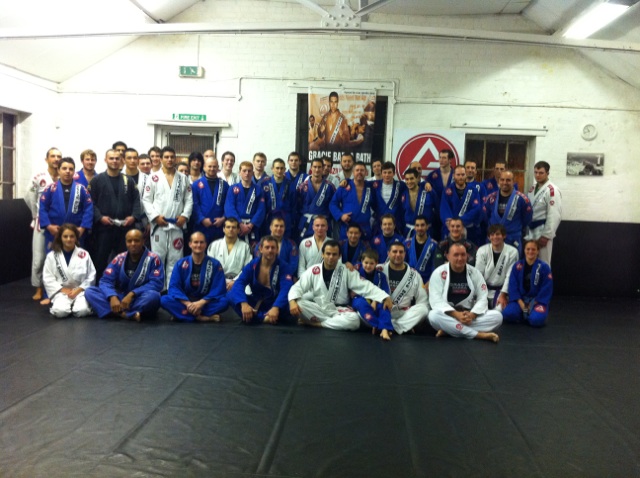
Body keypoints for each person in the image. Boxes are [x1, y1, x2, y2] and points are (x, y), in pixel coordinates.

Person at [288, 240, 392, 330]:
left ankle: (318, 324)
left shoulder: (346, 270)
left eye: (334, 254)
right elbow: (298, 287)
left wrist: (384, 297)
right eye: (328, 254)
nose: (331, 257)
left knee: (354, 320)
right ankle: (333, 323)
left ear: (339, 256)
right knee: (299, 303)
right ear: (322, 254)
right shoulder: (314, 270)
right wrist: (292, 301)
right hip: (320, 308)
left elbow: (365, 286)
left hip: (339, 310)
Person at [428, 243, 502, 343]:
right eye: (456, 255)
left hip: (468, 316)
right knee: (433, 315)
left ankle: (450, 330)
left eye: (463, 255)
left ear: (467, 256)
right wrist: (456, 315)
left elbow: (482, 297)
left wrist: (472, 315)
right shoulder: (438, 273)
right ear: (448, 256)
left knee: (497, 317)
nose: (460, 258)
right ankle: (478, 335)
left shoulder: (475, 273)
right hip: (449, 315)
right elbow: (436, 300)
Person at [141, 146, 193, 288]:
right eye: (166, 157)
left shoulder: (183, 178)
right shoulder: (153, 177)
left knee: (176, 258)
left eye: (172, 157)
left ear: (175, 158)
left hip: (177, 224)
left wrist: (184, 216)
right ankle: (158, 288)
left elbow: (189, 199)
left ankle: (173, 288)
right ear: (161, 159)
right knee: (158, 257)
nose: (169, 159)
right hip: (159, 225)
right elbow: (146, 200)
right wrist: (155, 217)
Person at [84, 229, 164, 321]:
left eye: (136, 241)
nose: (133, 244)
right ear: (126, 243)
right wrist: (112, 296)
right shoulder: (120, 258)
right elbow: (105, 280)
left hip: (140, 297)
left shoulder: (153, 259)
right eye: (129, 241)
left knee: (154, 297)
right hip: (121, 297)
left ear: (143, 241)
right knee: (90, 291)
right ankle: (129, 314)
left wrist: (133, 293)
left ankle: (116, 312)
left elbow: (156, 283)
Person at [88, 149, 142, 279]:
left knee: (124, 259)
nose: (114, 161)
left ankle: (121, 284)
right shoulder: (96, 180)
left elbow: (136, 201)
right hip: (103, 228)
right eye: (111, 158)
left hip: (124, 228)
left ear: (121, 160)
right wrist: (100, 217)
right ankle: (100, 285)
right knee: (100, 260)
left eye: (117, 158)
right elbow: (90, 203)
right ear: (105, 160)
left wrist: (133, 217)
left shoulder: (128, 180)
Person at [160, 232, 229, 322]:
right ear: (190, 244)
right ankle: (202, 317)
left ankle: (182, 315)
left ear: (205, 244)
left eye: (201, 242)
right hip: (186, 300)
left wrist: (201, 303)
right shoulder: (180, 264)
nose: (198, 245)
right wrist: (188, 304)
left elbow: (218, 288)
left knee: (224, 302)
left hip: (205, 302)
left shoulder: (215, 264)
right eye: (196, 242)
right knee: (164, 300)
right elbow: (174, 287)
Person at [229, 235, 295, 325]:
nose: (270, 250)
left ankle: (255, 317)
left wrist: (276, 307)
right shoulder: (253, 265)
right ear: (260, 249)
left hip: (275, 301)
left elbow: (286, 288)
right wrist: (243, 303)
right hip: (256, 302)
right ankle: (265, 318)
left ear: (277, 250)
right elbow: (239, 283)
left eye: (273, 248)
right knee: (230, 295)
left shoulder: (284, 266)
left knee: (293, 303)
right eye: (267, 247)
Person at [26, 147, 60, 301]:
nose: (56, 159)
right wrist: (36, 215)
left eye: (58, 156)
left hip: (59, 222)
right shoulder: (39, 177)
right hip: (42, 222)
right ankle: (38, 287)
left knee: (57, 256)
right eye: (53, 156)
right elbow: (29, 197)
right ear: (47, 159)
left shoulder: (66, 176)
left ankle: (55, 288)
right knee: (39, 258)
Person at [39, 157, 93, 253]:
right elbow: (43, 208)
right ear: (58, 170)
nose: (68, 171)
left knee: (76, 260)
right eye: (64, 168)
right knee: (54, 259)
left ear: (74, 172)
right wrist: (49, 226)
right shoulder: (50, 189)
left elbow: (88, 209)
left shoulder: (81, 189)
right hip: (54, 233)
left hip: (75, 234)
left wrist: (82, 228)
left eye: (71, 169)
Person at [42, 224, 96, 318]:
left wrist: (79, 289)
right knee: (60, 312)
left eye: (72, 236)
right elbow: (48, 277)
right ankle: (65, 305)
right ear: (60, 238)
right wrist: (62, 289)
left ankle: (78, 305)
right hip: (61, 291)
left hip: (80, 291)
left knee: (82, 311)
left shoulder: (84, 254)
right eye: (65, 236)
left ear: (76, 238)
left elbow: (91, 275)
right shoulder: (52, 256)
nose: (68, 239)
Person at [381, 242, 429, 334]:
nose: (398, 254)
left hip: (403, 314)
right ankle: (400, 326)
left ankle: (389, 326)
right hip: (383, 311)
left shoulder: (414, 275)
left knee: (423, 309)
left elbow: (422, 300)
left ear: (404, 254)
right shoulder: (379, 269)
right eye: (395, 251)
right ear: (388, 253)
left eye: (401, 252)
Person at [502, 239, 553, 327]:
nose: (530, 251)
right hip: (520, 299)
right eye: (528, 249)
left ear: (538, 251)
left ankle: (531, 314)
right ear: (524, 250)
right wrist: (521, 304)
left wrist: (533, 304)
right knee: (507, 314)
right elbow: (513, 286)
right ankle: (524, 314)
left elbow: (546, 288)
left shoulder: (544, 267)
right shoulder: (517, 266)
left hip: (537, 300)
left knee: (536, 320)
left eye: (533, 249)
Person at [351, 249, 394, 340]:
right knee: (361, 304)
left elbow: (384, 292)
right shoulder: (356, 274)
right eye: (366, 263)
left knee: (384, 307)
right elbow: (354, 290)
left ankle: (384, 330)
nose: (368, 266)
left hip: (377, 300)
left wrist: (375, 301)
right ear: (362, 261)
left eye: (371, 263)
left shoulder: (381, 276)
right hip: (360, 298)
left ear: (376, 263)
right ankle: (378, 325)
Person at [485, 170, 533, 253]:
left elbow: (527, 219)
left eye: (508, 180)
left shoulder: (522, 199)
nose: (505, 182)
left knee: (513, 260)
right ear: (499, 181)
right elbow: (486, 216)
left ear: (513, 181)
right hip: (494, 239)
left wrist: (514, 227)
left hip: (512, 238)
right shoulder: (490, 198)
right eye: (502, 180)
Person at [525, 161, 562, 264]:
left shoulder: (552, 190)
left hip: (542, 230)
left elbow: (554, 215)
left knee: (543, 261)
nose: (537, 175)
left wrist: (546, 235)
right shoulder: (532, 188)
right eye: (536, 172)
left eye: (541, 173)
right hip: (530, 229)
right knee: (530, 261)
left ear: (547, 173)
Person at [474, 224, 519, 309]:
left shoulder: (512, 252)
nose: (495, 237)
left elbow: (509, 276)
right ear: (488, 237)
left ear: (504, 236)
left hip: (501, 291)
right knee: (476, 310)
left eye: (498, 234)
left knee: (499, 311)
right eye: (492, 234)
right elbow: (478, 274)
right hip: (484, 290)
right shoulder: (482, 250)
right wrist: (478, 293)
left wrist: (503, 294)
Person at [330, 161, 376, 240]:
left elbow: (376, 205)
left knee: (365, 248)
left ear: (366, 172)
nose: (359, 172)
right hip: (347, 227)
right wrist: (341, 215)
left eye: (362, 170)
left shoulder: (371, 187)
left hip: (364, 228)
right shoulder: (344, 186)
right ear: (353, 172)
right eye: (357, 170)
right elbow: (332, 204)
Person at [224, 161, 266, 245]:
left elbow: (261, 210)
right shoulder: (233, 188)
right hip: (236, 226)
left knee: (252, 249)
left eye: (249, 171)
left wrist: (250, 225)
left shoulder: (258, 190)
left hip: (252, 227)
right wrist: (239, 223)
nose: (247, 173)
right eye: (244, 171)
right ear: (239, 173)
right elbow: (229, 207)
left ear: (253, 173)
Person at [440, 165, 483, 245]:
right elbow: (444, 209)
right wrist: (453, 224)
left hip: (469, 229)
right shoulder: (447, 191)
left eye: (463, 175)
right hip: (451, 229)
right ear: (454, 175)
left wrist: (461, 221)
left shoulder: (473, 191)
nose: (460, 177)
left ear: (466, 175)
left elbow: (476, 209)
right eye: (458, 175)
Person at [207, 217, 252, 290]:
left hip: (239, 281)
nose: (231, 229)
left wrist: (235, 281)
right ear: (223, 229)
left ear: (238, 230)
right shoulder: (214, 245)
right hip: (218, 281)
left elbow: (247, 268)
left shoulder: (245, 247)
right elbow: (210, 267)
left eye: (234, 227)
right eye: (228, 227)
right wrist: (222, 282)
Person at [297, 158, 336, 240]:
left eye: (319, 167)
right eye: (315, 167)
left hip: (323, 224)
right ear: (311, 168)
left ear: (323, 168)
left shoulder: (330, 187)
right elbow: (297, 206)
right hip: (306, 223)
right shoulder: (302, 187)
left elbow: (334, 205)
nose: (317, 169)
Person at [192, 157, 228, 244]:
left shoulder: (224, 185)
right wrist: (202, 219)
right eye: (210, 166)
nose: (212, 169)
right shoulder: (196, 184)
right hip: (202, 225)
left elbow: (228, 204)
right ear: (204, 167)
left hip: (219, 226)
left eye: (214, 166)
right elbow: (195, 204)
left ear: (218, 168)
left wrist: (223, 218)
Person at [262, 158, 296, 238]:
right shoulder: (265, 183)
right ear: (272, 169)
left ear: (285, 169)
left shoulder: (290, 184)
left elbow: (294, 204)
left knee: (285, 241)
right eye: (277, 168)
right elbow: (261, 205)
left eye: (281, 168)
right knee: (270, 241)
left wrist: (292, 220)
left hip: (285, 218)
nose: (279, 171)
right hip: (270, 218)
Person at [372, 162, 406, 234]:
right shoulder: (375, 184)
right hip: (379, 223)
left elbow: (415, 184)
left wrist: (425, 183)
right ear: (381, 173)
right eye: (384, 172)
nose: (387, 175)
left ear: (394, 173)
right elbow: (360, 182)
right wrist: (347, 181)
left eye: (389, 172)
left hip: (396, 224)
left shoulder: (401, 185)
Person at [427, 149, 455, 239]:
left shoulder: (456, 175)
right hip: (435, 213)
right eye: (440, 157)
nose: (441, 160)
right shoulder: (432, 175)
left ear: (450, 160)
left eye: (444, 158)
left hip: (451, 213)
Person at [404, 215, 439, 286]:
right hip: (409, 281)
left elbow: (435, 265)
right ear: (414, 227)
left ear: (427, 226)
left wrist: (430, 281)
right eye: (417, 225)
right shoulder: (407, 243)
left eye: (422, 225)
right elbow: (403, 263)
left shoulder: (434, 245)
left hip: (427, 282)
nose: (420, 228)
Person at [401, 167, 436, 238]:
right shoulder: (403, 194)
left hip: (427, 231)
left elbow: (438, 208)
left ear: (417, 179)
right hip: (409, 231)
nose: (409, 181)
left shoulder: (428, 192)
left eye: (412, 178)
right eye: (407, 179)